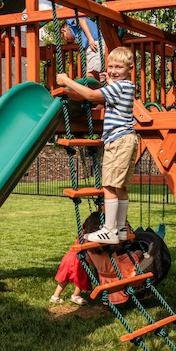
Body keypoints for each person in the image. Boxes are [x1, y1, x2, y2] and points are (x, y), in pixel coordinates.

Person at [55, 46, 138, 245]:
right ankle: (120, 228)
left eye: (119, 67)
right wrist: (108, 80)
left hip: (118, 141)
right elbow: (110, 89)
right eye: (111, 66)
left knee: (109, 185)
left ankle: (109, 230)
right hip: (127, 139)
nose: (113, 70)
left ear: (130, 68)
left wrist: (66, 81)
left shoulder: (120, 87)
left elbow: (92, 96)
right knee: (121, 187)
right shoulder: (126, 87)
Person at [50, 212, 100, 305]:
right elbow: (88, 255)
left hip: (69, 257)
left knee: (65, 278)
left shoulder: (82, 233)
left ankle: (55, 296)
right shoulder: (90, 238)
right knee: (82, 278)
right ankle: (75, 296)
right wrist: (95, 265)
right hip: (78, 260)